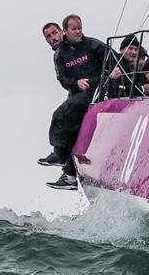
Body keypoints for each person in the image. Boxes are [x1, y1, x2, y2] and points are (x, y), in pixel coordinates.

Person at [38, 14, 106, 190]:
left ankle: (59, 154)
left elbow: (114, 63)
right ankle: (69, 175)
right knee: (71, 129)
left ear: (62, 32)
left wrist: (92, 81)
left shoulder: (93, 44)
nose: (53, 38)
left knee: (62, 112)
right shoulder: (60, 54)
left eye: (55, 33)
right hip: (78, 95)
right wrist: (75, 83)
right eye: (48, 36)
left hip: (98, 90)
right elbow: (62, 79)